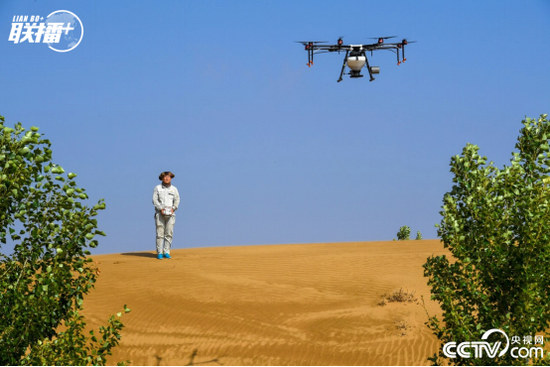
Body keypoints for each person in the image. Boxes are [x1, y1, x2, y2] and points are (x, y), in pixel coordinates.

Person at [152, 171, 180, 260]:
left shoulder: (174, 189)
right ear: (162, 178)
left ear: (171, 178)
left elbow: (177, 199)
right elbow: (154, 200)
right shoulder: (157, 188)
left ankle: (166, 252)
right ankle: (159, 252)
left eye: (169, 177)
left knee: (169, 233)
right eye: (165, 177)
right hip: (160, 213)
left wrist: (174, 208)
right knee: (160, 233)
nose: (167, 178)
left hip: (171, 214)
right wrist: (160, 208)